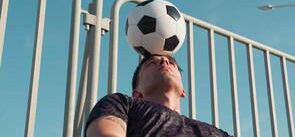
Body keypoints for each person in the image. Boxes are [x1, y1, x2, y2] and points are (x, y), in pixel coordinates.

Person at [85, 54, 232, 137]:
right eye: (151, 63)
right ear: (137, 93)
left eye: (171, 63)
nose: (164, 60)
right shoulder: (122, 104)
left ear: (183, 91)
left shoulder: (218, 132)